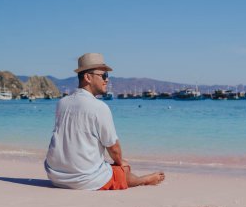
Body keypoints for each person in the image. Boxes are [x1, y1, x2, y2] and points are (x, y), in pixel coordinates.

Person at [44, 53, 165, 190]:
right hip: (83, 180)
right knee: (123, 169)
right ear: (88, 77)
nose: (107, 80)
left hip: (55, 176)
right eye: (103, 76)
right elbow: (114, 148)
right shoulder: (99, 107)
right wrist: (120, 162)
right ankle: (144, 180)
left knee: (107, 164)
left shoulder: (62, 103)